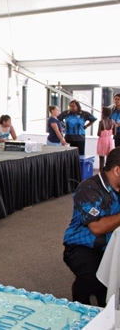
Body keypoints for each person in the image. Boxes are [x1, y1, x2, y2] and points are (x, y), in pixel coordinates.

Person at [63, 147, 120, 307]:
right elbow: (97, 228)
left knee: (109, 287)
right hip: (82, 245)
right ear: (117, 170)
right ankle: (80, 298)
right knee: (95, 279)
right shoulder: (88, 188)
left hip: (112, 244)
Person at [97, 106, 115, 171]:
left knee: (101, 158)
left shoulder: (101, 122)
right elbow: (114, 133)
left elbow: (98, 134)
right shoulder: (113, 122)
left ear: (103, 114)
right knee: (109, 157)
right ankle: (108, 172)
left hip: (102, 141)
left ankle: (101, 172)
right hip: (110, 141)